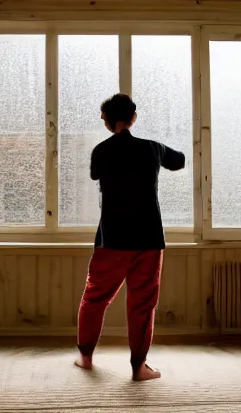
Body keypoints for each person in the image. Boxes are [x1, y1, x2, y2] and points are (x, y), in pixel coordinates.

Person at [74, 93, 185, 381]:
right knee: (142, 304)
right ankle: (139, 367)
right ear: (133, 118)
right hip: (148, 238)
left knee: (95, 298)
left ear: (107, 122)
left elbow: (95, 175)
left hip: (112, 238)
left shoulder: (101, 150)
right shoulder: (152, 149)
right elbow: (180, 161)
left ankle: (85, 357)